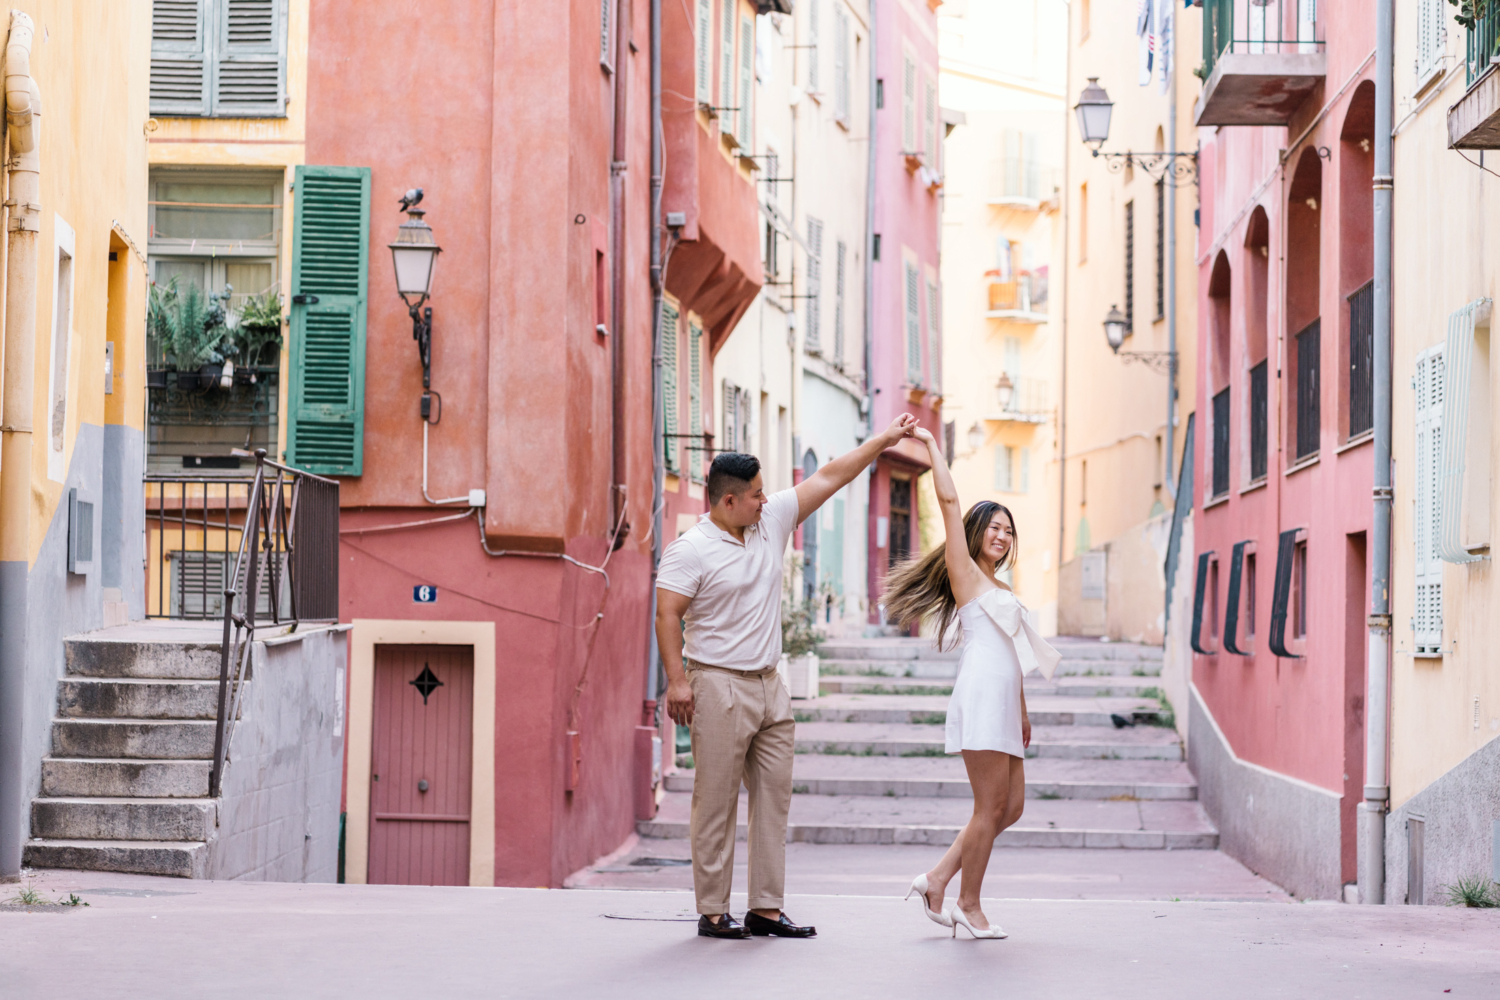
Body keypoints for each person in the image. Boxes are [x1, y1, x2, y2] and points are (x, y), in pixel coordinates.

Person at [656, 413, 920, 939]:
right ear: (727, 500)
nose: (765, 499)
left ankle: (766, 909)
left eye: (764, 492)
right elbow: (667, 614)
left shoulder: (770, 519)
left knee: (774, 799)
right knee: (715, 802)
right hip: (718, 683)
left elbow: (830, 476)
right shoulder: (690, 550)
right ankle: (713, 911)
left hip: (770, 684)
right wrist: (678, 680)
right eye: (754, 494)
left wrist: (884, 439)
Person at [881, 426, 1059, 939]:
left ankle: (936, 878)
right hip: (981, 695)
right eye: (994, 528)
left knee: (1012, 807)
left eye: (1009, 531)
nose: (1002, 537)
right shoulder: (965, 572)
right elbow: (948, 497)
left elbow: (1013, 648)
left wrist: (1023, 710)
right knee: (989, 809)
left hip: (1005, 699)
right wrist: (934, 447)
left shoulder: (1001, 584)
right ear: (976, 531)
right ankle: (968, 904)